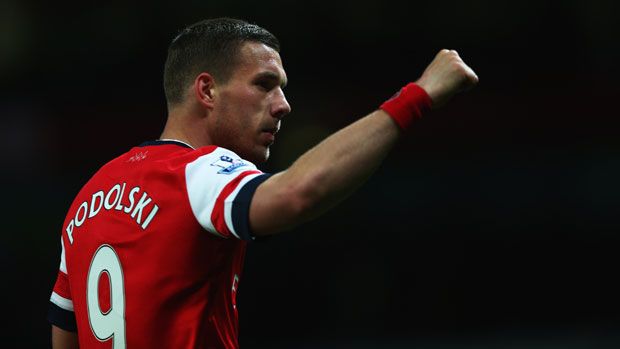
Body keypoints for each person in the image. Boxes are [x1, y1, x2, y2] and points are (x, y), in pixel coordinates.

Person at [48, 17, 478, 349]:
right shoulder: (197, 172)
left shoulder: (86, 200)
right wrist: (419, 96)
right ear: (207, 91)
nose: (283, 105)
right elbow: (296, 194)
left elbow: (65, 336)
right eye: (264, 85)